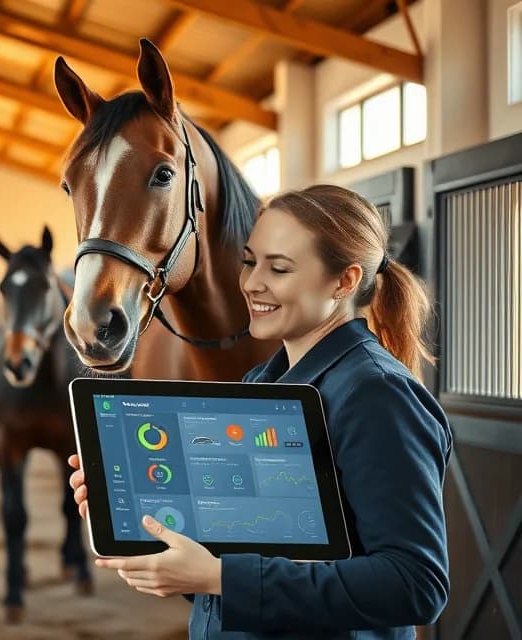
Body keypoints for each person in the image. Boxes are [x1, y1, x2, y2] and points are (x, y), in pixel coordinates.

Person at [67, 184, 452, 639]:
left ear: (344, 282)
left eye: (279, 268)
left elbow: (415, 583)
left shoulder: (378, 395)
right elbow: (246, 561)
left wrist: (218, 577)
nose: (251, 283)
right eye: (250, 261)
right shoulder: (260, 385)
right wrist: (143, 525)